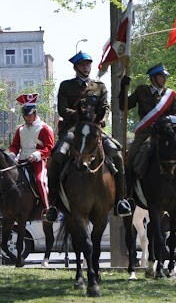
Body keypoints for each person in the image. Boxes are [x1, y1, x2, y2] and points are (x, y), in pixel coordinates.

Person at [43, 51, 132, 222]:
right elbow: (62, 109)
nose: (86, 67)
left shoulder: (99, 86)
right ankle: (53, 204)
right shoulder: (66, 86)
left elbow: (105, 107)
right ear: (76, 67)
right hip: (73, 129)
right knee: (58, 155)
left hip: (94, 129)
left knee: (117, 154)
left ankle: (121, 200)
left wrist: (103, 120)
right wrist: (77, 115)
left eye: (88, 64)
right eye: (83, 64)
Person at [119, 64, 176, 207]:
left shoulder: (171, 95)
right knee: (131, 158)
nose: (165, 79)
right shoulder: (142, 90)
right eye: (162, 76)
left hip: (167, 133)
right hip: (146, 133)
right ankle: (127, 196)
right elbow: (124, 106)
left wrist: (168, 120)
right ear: (153, 78)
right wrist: (123, 89)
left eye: (165, 76)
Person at [8, 93, 55, 211]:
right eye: (25, 116)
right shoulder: (20, 129)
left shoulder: (45, 128)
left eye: (29, 115)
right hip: (21, 161)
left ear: (35, 113)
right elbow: (15, 146)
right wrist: (12, 154)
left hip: (38, 161)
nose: (27, 118)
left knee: (40, 181)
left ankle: (47, 209)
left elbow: (49, 148)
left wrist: (36, 155)